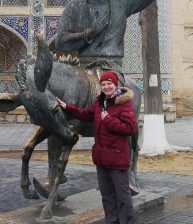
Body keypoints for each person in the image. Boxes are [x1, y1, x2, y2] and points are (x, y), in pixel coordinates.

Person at [57, 71, 137, 224]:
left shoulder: (123, 104)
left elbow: (130, 128)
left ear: (116, 85)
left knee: (123, 198)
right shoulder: (100, 102)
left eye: (109, 84)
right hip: (102, 160)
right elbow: (87, 115)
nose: (106, 87)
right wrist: (67, 107)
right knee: (107, 197)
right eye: (104, 84)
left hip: (117, 160)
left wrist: (108, 120)